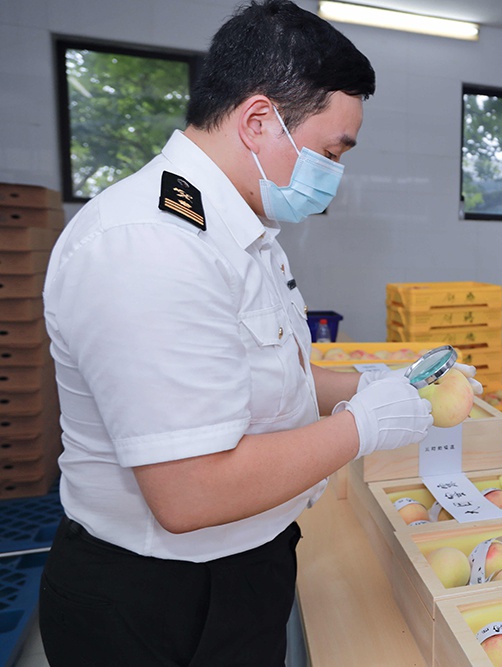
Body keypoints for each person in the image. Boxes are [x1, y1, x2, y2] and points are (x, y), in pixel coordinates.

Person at [38, 2, 472, 664]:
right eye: (331, 151)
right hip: (158, 600)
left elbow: (267, 374)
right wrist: (363, 425)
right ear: (259, 120)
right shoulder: (152, 245)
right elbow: (188, 490)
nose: (334, 175)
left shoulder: (239, 232)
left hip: (242, 562)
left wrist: (379, 383)